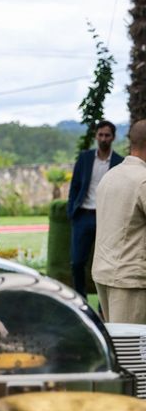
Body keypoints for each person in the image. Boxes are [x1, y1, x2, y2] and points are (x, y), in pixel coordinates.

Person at [93, 119, 146, 324]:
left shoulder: (110, 175)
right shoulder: (142, 180)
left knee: (120, 342)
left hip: (105, 272)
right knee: (132, 350)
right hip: (130, 278)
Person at [66, 120, 123, 297]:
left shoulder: (119, 162)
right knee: (77, 262)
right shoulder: (85, 158)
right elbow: (74, 186)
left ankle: (102, 305)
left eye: (107, 135)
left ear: (113, 137)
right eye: (100, 134)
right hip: (83, 215)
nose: (103, 138)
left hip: (107, 219)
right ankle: (81, 301)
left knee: (107, 264)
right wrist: (72, 213)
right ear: (96, 136)